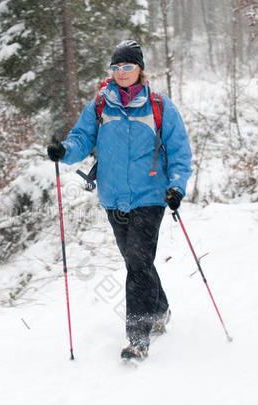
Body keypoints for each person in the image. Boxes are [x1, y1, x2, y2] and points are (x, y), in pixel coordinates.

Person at [47, 40, 192, 360]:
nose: (122, 73)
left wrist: (177, 186)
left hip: (150, 196)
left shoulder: (159, 105)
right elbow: (82, 138)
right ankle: (160, 309)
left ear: (140, 69)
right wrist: (65, 152)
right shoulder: (100, 104)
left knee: (138, 265)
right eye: (116, 67)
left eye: (128, 67)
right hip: (113, 197)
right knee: (136, 262)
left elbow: (180, 152)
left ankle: (137, 339)